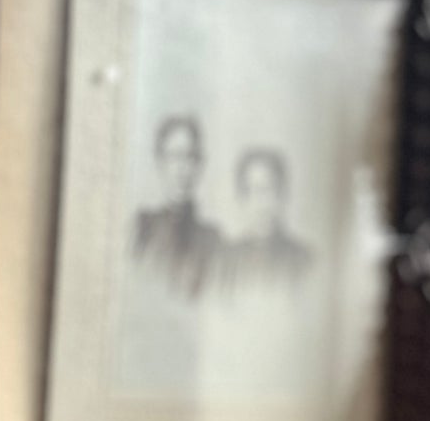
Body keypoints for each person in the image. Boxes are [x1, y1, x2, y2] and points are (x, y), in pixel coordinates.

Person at [131, 114, 223, 299]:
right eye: (175, 156)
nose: (182, 168)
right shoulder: (142, 228)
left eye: (190, 156)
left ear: (199, 164)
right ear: (160, 161)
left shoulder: (212, 239)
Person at [214, 146, 312, 295]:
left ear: (281, 194)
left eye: (267, 189)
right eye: (251, 190)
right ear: (242, 198)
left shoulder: (303, 259)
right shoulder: (226, 261)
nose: (260, 201)